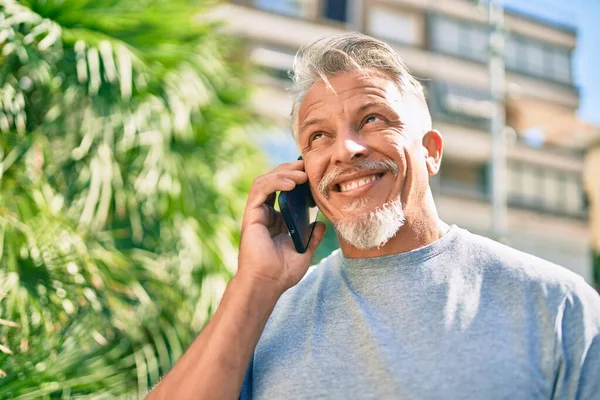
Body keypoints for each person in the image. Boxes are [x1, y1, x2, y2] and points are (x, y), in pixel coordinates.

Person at [146, 33, 600, 400]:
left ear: (431, 151)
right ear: (303, 174)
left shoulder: (556, 305)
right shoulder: (260, 317)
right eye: (318, 136)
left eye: (373, 120)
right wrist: (255, 284)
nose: (346, 149)